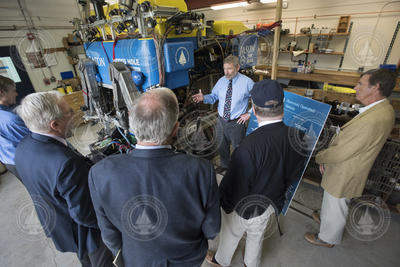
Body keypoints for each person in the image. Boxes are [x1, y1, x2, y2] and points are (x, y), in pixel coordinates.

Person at [89, 88, 221, 266]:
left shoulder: (100, 173)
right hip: (187, 258)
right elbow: (212, 229)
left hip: (138, 259)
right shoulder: (201, 170)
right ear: (175, 129)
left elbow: (109, 234)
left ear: (132, 125)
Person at [206, 80, 306, 267]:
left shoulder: (248, 146)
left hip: (244, 207)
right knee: (256, 236)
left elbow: (235, 186)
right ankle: (250, 263)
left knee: (231, 233)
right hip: (270, 203)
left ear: (254, 108)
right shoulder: (298, 136)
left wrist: (224, 205)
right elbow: (293, 173)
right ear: (282, 106)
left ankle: (221, 260)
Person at [15, 91, 113, 266]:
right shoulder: (66, 163)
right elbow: (85, 214)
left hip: (60, 224)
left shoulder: (24, 146)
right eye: (70, 112)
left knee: (85, 260)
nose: (74, 114)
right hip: (86, 234)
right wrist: (112, 225)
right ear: (55, 124)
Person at [304, 68, 396, 247]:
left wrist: (320, 157)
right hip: (347, 165)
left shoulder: (373, 120)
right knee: (331, 201)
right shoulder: (383, 109)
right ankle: (325, 218)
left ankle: (327, 238)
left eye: (360, 84)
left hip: (346, 169)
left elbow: (342, 152)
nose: (355, 87)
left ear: (375, 87)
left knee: (336, 203)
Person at [192, 55, 254, 171]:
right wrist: (204, 97)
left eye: (229, 69)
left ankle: (238, 171)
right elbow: (213, 97)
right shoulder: (221, 81)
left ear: (238, 67)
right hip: (221, 121)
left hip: (237, 123)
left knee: (238, 149)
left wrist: (249, 113)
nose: (226, 72)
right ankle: (224, 167)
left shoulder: (247, 83)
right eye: (224, 69)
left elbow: (257, 98)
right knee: (222, 147)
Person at [0, 76, 30, 180]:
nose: (16, 94)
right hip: (25, 162)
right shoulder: (11, 119)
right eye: (13, 91)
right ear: (2, 92)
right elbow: (34, 143)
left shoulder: (8, 113)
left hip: (8, 161)